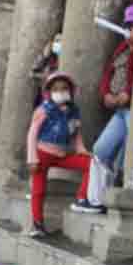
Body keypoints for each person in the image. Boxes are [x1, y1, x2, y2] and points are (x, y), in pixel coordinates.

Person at [74, 3, 133, 215]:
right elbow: (108, 74)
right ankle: (96, 199)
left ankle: (118, 195)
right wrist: (106, 95)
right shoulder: (121, 49)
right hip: (119, 110)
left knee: (129, 157)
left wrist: (128, 94)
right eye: (128, 25)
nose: (130, 30)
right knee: (101, 150)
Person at [24, 71, 90, 238]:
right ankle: (37, 224)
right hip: (42, 154)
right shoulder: (43, 109)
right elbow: (32, 134)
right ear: (49, 92)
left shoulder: (73, 111)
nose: (60, 92)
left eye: (64, 88)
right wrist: (32, 158)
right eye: (56, 89)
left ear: (71, 90)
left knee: (91, 164)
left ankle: (82, 198)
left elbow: (76, 133)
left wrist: (81, 149)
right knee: (38, 190)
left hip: (62, 155)